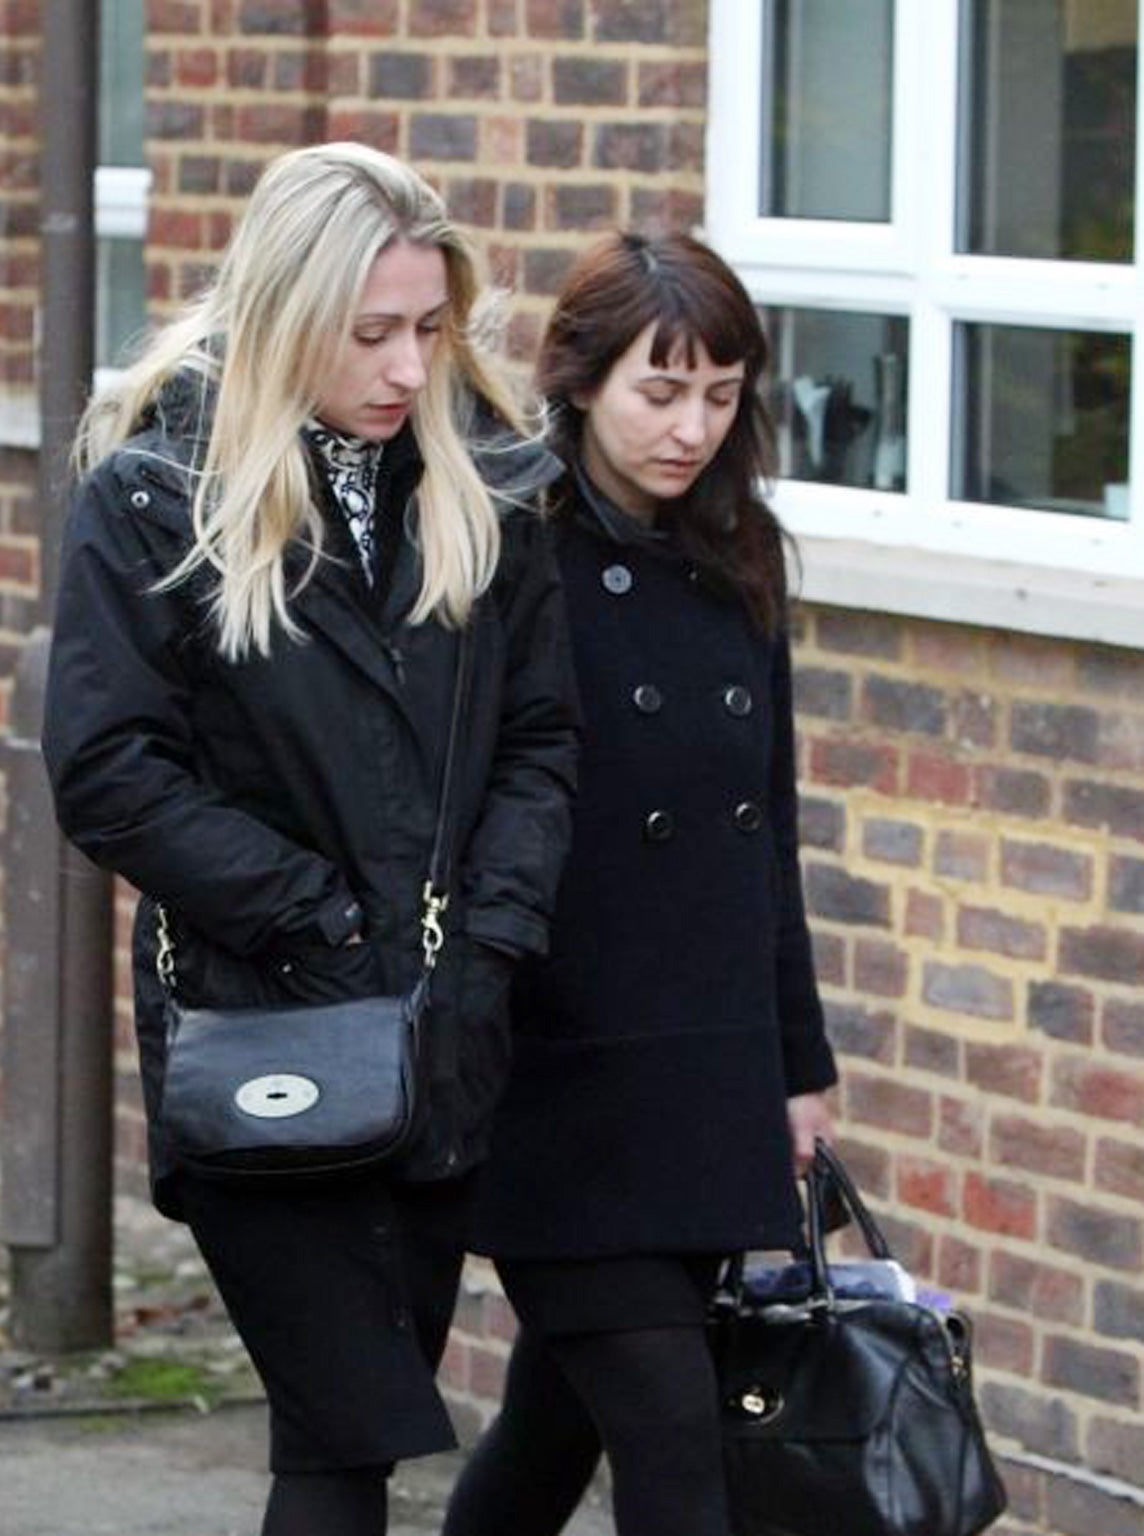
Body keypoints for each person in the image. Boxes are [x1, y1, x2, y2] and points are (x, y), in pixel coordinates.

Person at [43, 142, 579, 1536]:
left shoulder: (483, 489)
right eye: (373, 333)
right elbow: (108, 772)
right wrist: (325, 921)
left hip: (444, 1033)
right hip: (261, 1031)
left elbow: (539, 742)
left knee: (345, 1436)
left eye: (429, 329)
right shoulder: (156, 496)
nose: (410, 368)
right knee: (352, 1423)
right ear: (287, 315)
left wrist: (493, 943)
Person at [444, 231, 839, 1536]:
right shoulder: (512, 553)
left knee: (556, 1423)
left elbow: (762, 834)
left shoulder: (740, 554)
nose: (689, 428)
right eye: (658, 392)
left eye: (719, 395)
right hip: (559, 1069)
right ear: (581, 381)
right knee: (680, 1449)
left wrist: (797, 1058)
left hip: (703, 1071)